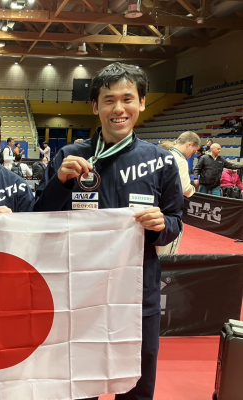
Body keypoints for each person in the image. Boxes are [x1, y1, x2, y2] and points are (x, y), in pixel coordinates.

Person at [34, 62, 183, 400]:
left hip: (138, 295)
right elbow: (40, 218)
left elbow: (175, 220)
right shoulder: (70, 156)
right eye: (108, 100)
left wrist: (161, 226)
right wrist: (60, 182)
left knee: (136, 386)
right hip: (79, 295)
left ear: (142, 102)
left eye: (127, 99)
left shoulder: (161, 161)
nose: (118, 109)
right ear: (95, 106)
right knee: (77, 386)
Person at [157, 131, 201, 255]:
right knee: (167, 254)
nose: (192, 155)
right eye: (193, 151)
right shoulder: (180, 161)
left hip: (154, 208)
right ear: (189, 144)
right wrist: (192, 189)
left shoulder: (160, 154)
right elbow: (185, 189)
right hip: (168, 212)